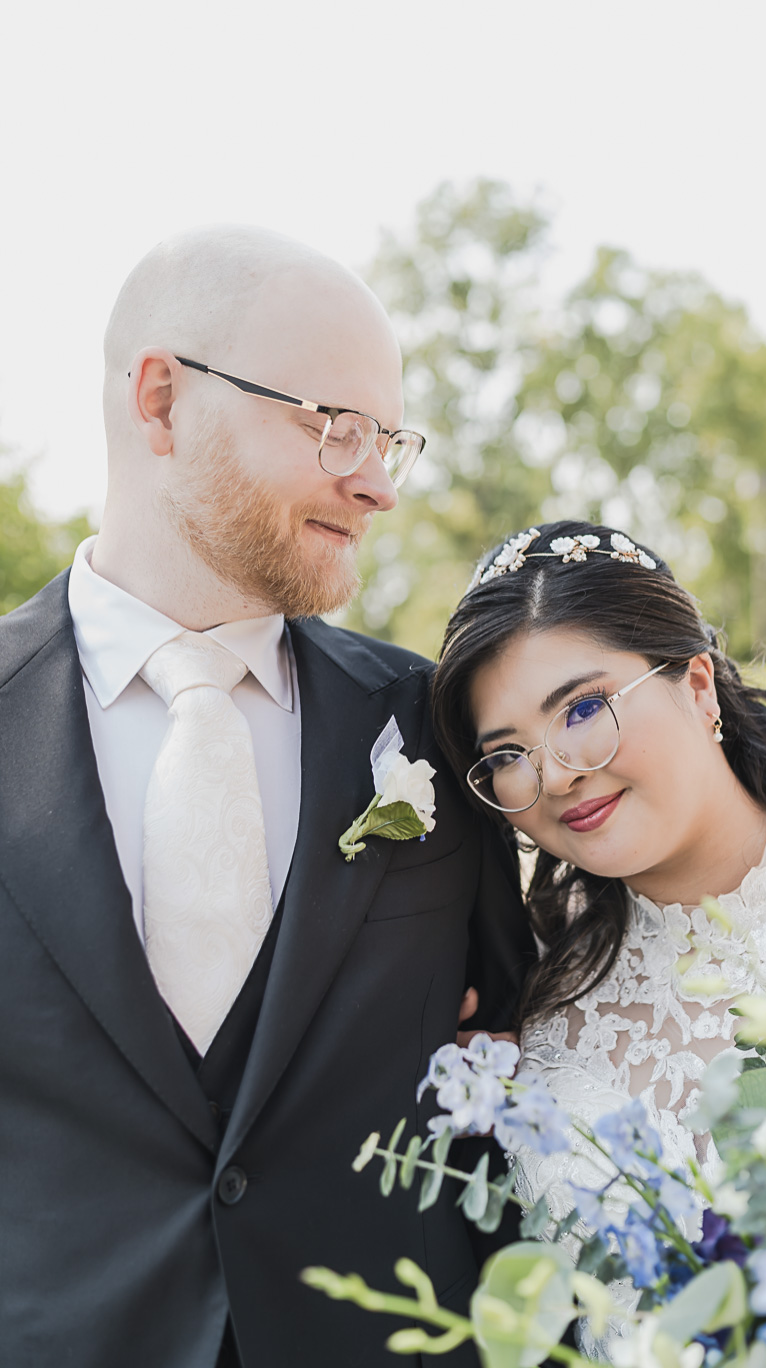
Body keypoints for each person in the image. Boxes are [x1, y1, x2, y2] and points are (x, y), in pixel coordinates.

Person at [0, 226, 532, 1368]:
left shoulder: (433, 726)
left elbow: (518, 1059)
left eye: (387, 439)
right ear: (161, 403)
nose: (379, 482)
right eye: (332, 425)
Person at [431, 518, 766, 1296]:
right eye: (508, 755)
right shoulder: (542, 1001)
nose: (554, 776)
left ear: (696, 687)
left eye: (582, 709)